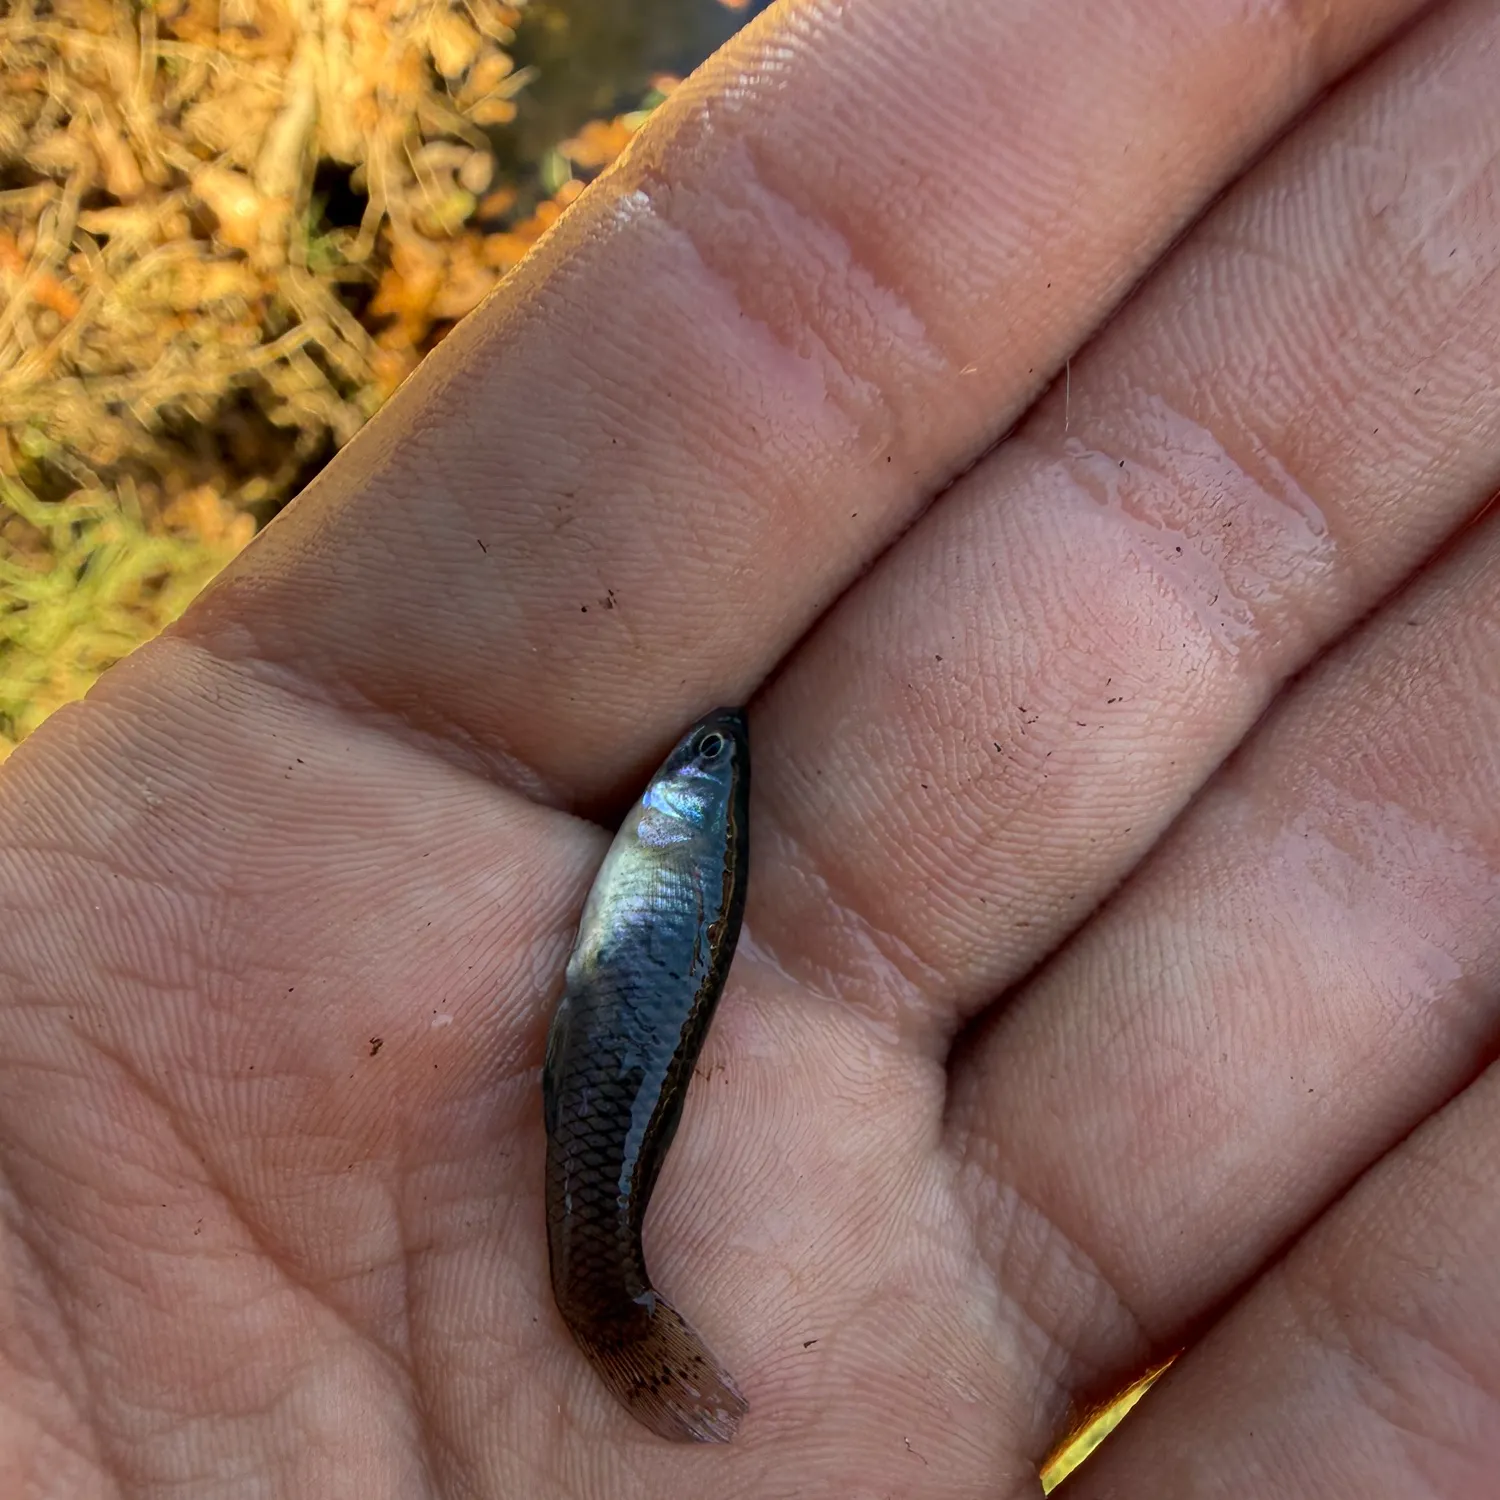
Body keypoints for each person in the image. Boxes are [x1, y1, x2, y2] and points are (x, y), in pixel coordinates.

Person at [2, 0, 1497, 1493]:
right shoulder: (683, 840)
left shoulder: (683, 835)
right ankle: (609, 1305)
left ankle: (612, 1305)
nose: (695, 763)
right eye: (706, 764)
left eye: (703, 768)